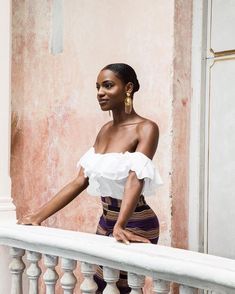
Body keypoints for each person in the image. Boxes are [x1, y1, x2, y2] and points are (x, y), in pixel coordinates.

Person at [18, 63, 163, 293]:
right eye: (97, 87)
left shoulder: (146, 128)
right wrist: (38, 216)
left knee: (121, 289)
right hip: (106, 221)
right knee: (99, 286)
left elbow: (136, 178)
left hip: (135, 222)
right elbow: (80, 180)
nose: (100, 93)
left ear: (128, 88)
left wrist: (121, 225)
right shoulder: (105, 130)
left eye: (108, 85)